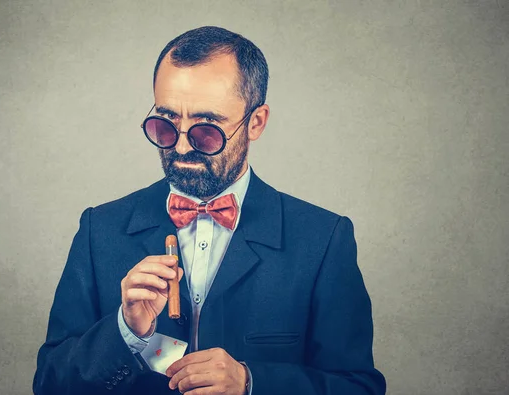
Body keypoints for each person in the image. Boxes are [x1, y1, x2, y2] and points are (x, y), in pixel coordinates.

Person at [33, 26, 386, 395]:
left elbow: (359, 387)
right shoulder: (99, 229)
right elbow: (49, 384)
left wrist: (252, 383)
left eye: (207, 129)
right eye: (165, 124)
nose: (181, 147)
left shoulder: (323, 239)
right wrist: (125, 332)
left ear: (256, 123)